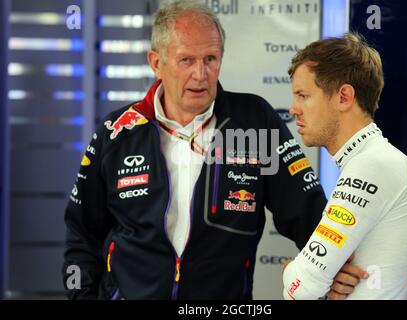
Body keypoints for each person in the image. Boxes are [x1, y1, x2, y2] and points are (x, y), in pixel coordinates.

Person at [63, 1, 361, 300]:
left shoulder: (254, 120)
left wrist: (333, 263)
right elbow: (82, 234)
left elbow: (305, 209)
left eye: (210, 58)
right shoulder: (117, 131)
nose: (201, 73)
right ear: (156, 63)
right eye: (186, 61)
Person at [283, 33, 407, 300]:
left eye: (303, 96)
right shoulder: (377, 159)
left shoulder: (372, 165)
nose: (293, 109)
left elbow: (301, 289)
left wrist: (293, 269)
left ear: (344, 97)